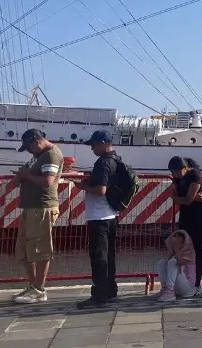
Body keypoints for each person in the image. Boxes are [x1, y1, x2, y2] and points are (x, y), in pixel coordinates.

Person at [11, 129, 64, 304]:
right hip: (32, 207)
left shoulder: (51, 155)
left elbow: (48, 182)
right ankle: (33, 286)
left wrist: (25, 175)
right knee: (26, 249)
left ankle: (39, 289)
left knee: (39, 249)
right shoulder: (39, 156)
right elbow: (28, 174)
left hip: (42, 207)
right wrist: (22, 175)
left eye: (28, 147)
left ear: (37, 142)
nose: (28, 151)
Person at [72, 130, 121, 309]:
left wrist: (83, 185)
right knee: (109, 255)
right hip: (111, 214)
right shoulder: (116, 159)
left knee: (98, 256)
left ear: (102, 142)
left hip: (99, 216)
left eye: (93, 144)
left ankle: (99, 295)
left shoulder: (103, 163)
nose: (91, 148)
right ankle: (111, 291)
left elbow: (100, 190)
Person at [169, 155, 202, 291]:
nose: (175, 174)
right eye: (172, 172)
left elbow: (188, 200)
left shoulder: (195, 176)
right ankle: (185, 279)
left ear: (185, 168)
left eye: (177, 171)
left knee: (196, 248)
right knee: (183, 246)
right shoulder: (178, 178)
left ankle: (196, 283)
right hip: (186, 216)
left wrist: (175, 197)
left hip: (198, 217)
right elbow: (184, 196)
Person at [155, 229, 198, 302]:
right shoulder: (174, 254)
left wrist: (176, 247)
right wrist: (172, 249)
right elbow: (168, 266)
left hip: (188, 288)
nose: (177, 244)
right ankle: (165, 288)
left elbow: (180, 262)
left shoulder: (190, 253)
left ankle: (169, 291)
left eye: (179, 242)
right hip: (177, 286)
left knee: (173, 262)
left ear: (184, 242)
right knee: (162, 262)